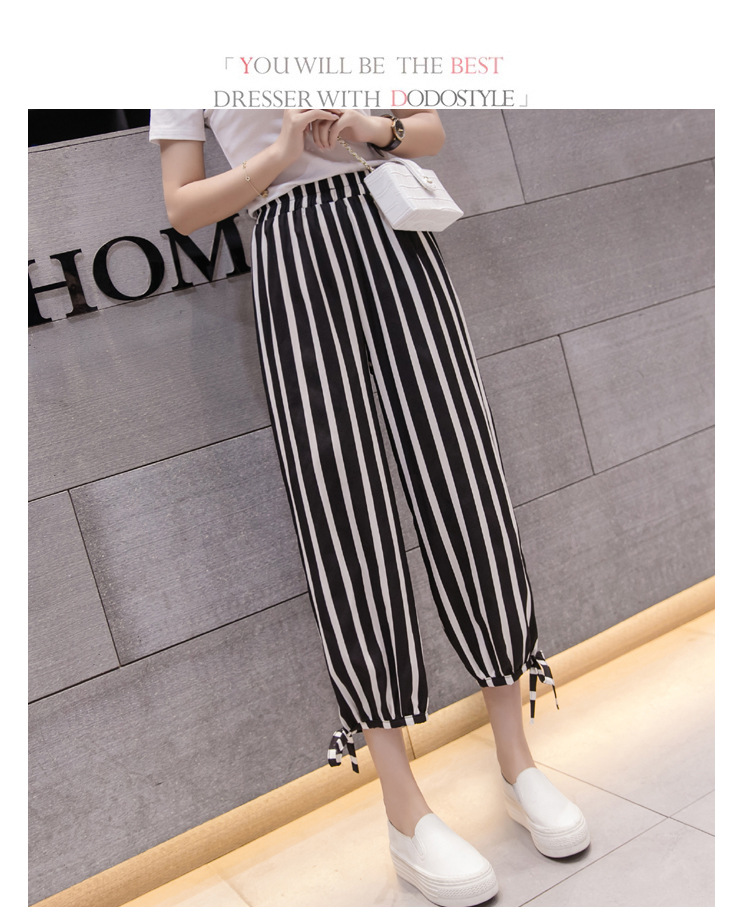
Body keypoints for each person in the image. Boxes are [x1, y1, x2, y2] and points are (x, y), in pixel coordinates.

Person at [149, 108, 590, 907]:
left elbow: (430, 132)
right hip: (290, 249)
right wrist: (278, 156)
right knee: (342, 505)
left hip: (396, 232)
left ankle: (517, 761)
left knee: (465, 475)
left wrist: (368, 125)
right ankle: (403, 808)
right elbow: (182, 205)